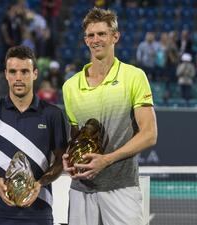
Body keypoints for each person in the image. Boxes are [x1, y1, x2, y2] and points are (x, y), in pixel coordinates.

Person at [62, 8, 157, 225]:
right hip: (81, 190)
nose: (96, 40)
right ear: (85, 40)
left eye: (102, 34)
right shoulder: (70, 86)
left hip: (121, 188)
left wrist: (105, 160)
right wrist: (68, 158)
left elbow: (150, 134)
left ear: (115, 36)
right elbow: (77, 138)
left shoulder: (134, 77)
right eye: (91, 35)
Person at [0, 45, 67, 225]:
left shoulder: (53, 114)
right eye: (13, 72)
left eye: (24, 71)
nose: (18, 78)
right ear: (6, 74)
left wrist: (40, 183)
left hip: (40, 212)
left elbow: (60, 161)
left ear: (35, 73)